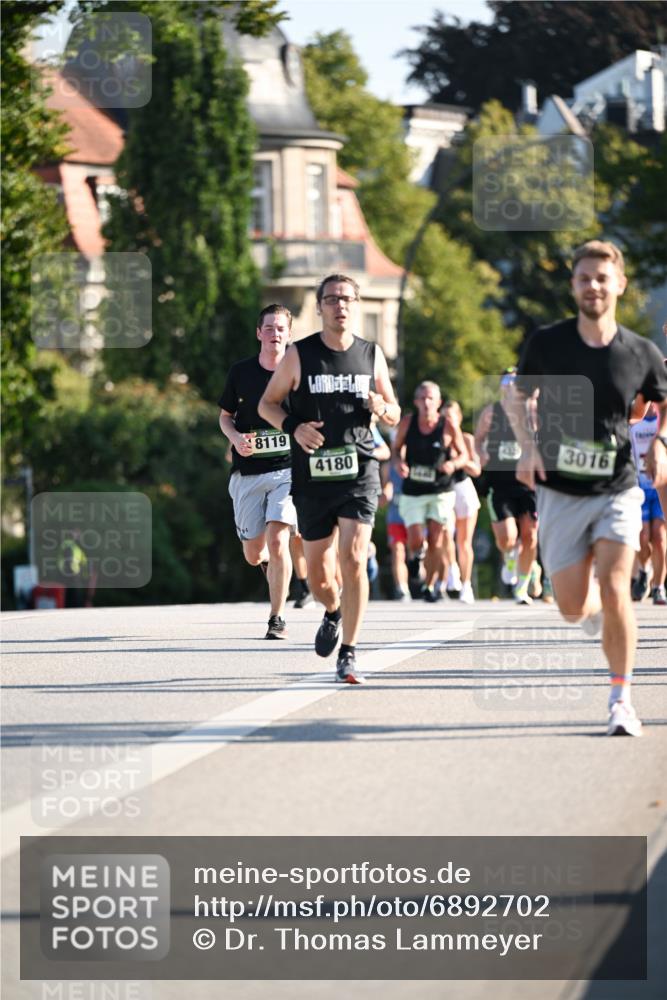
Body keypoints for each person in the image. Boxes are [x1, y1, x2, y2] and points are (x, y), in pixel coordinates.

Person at [514, 239, 667, 736]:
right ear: (573, 286)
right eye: (584, 278)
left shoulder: (641, 353)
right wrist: (527, 447)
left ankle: (621, 699)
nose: (593, 286)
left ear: (619, 284)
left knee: (618, 584)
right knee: (572, 606)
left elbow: (657, 403)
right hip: (559, 491)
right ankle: (596, 615)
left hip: (617, 486)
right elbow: (515, 396)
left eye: (602, 278)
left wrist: (659, 441)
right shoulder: (547, 343)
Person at [258, 274, 400, 683]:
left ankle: (350, 652)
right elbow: (268, 404)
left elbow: (394, 412)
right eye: (332, 299)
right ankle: (333, 610)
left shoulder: (372, 354)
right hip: (313, 476)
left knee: (354, 557)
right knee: (321, 576)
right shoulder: (299, 355)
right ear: (319, 307)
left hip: (360, 470)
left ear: (355, 306)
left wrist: (382, 407)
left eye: (347, 299)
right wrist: (294, 427)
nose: (340, 305)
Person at [218, 305, 298, 640]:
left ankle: (277, 617)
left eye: (281, 328)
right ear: (258, 333)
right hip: (248, 474)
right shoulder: (241, 372)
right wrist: (235, 438)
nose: (274, 334)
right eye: (269, 328)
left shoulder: (298, 374)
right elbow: (225, 416)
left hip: (287, 471)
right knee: (254, 553)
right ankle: (265, 563)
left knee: (280, 540)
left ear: (289, 334)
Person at [392, 381, 466, 602]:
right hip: (413, 490)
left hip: (440, 490)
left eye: (430, 398)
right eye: (422, 398)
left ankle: (430, 586)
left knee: (436, 539)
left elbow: (463, 454)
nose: (426, 403)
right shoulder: (407, 422)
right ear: (416, 402)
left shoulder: (448, 424)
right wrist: (399, 463)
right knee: (415, 539)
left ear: (438, 402)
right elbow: (396, 450)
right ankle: (416, 556)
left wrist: (452, 465)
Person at [474, 368, 539, 604]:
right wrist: (481, 454)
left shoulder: (533, 412)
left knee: (530, 535)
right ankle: (510, 557)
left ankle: (521, 587)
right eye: (507, 380)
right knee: (508, 538)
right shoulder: (492, 413)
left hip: (529, 484)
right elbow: (478, 440)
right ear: (502, 386)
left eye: (516, 380)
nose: (512, 384)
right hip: (500, 482)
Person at [444, 400, 482, 604]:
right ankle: (452, 568)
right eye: (445, 417)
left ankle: (466, 585)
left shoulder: (467, 439)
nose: (448, 421)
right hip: (445, 490)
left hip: (464, 489)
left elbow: (477, 470)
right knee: (445, 534)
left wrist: (461, 459)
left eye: (451, 417)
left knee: (464, 542)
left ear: (458, 418)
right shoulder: (440, 438)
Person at [630, 401, 666, 604]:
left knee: (660, 538)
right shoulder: (634, 419)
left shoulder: (663, 421)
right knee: (643, 538)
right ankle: (644, 570)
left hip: (659, 483)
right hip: (639, 486)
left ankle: (659, 587)